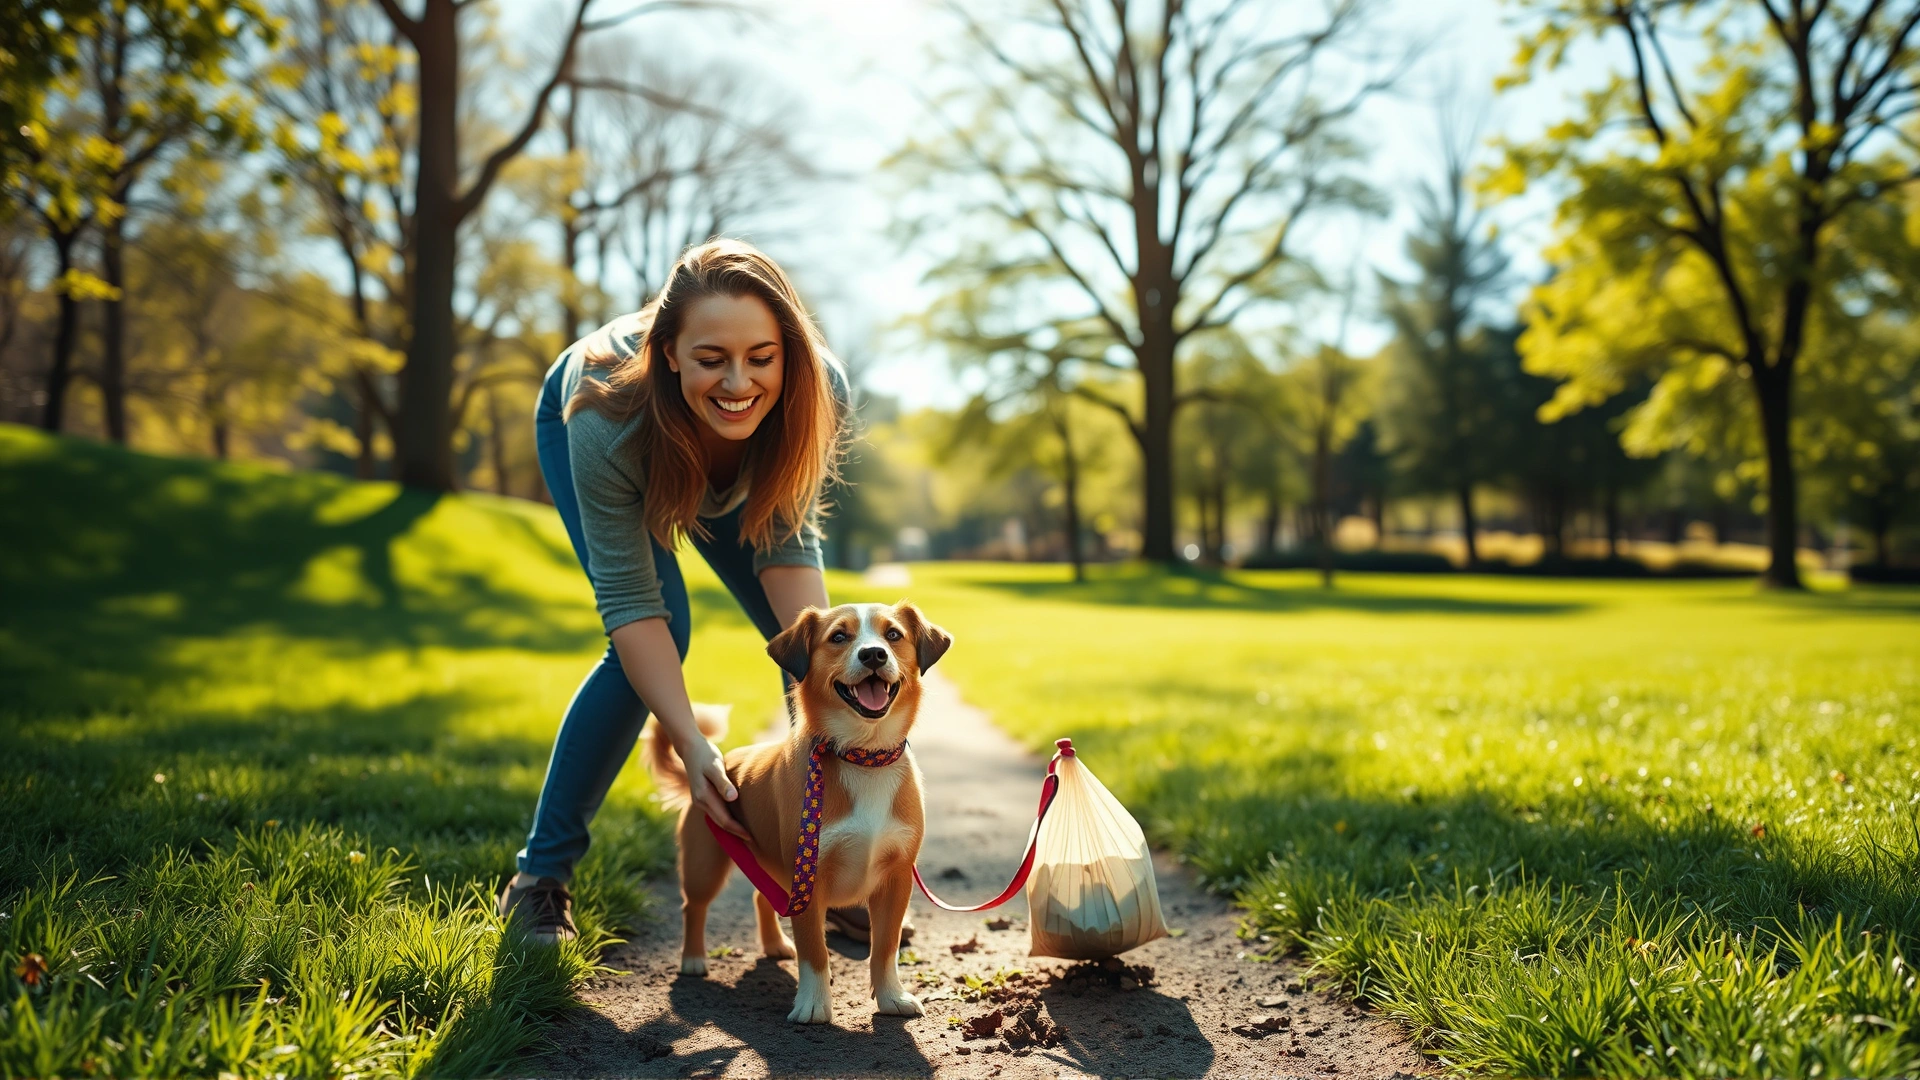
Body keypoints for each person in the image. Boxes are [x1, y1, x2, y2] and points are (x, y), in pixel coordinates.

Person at [498, 239, 908, 946]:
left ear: (788, 352)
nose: (738, 383)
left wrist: (843, 704)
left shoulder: (817, 391)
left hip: (732, 477)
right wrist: (689, 743)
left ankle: (816, 868)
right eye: (711, 359)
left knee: (813, 653)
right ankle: (540, 877)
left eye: (760, 358)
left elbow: (788, 558)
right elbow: (632, 605)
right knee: (665, 631)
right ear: (670, 355)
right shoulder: (604, 418)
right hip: (617, 431)